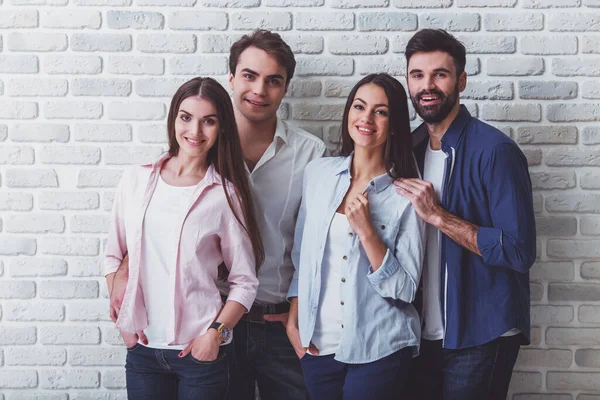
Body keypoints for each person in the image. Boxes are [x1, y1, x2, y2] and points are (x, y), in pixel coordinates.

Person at [107, 30, 326, 400]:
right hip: (207, 324)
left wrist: (296, 311)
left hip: (277, 324)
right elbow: (146, 235)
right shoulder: (187, 164)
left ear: (286, 88)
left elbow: (316, 246)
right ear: (231, 79)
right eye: (249, 75)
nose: (259, 89)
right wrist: (123, 290)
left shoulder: (310, 154)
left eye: (273, 81)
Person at [396, 29, 536, 400]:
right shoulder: (406, 150)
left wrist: (439, 216)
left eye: (439, 74)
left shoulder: (496, 151)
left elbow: (520, 251)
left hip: (480, 335)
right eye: (417, 75)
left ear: (461, 80)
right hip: (418, 336)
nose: (427, 85)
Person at [104, 77, 263, 400]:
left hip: (200, 355)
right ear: (174, 118)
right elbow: (112, 254)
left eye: (209, 121)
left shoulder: (225, 195)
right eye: (186, 117)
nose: (195, 131)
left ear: (221, 129)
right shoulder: (135, 179)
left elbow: (245, 281)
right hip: (144, 351)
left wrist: (214, 336)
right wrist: (125, 322)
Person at [287, 73, 426, 400]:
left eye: (380, 111)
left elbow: (404, 290)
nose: (366, 118)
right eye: (359, 106)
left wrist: (366, 231)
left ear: (393, 124)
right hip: (317, 346)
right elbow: (301, 258)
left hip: (379, 347)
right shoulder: (317, 174)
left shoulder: (406, 194)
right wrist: (294, 322)